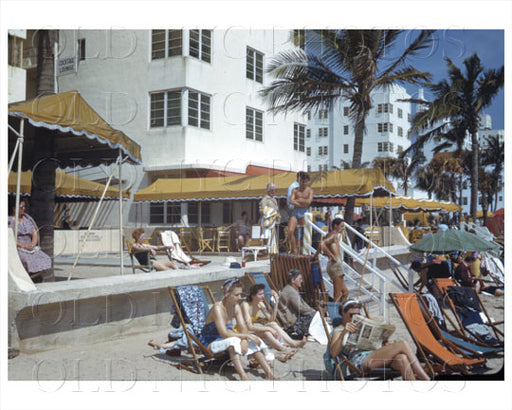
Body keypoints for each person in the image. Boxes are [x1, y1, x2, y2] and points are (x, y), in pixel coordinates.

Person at [151, 279, 278, 380]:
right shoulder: (218, 308)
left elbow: (243, 326)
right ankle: (243, 376)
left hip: (224, 340)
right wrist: (245, 337)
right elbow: (224, 333)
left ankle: (269, 373)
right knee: (234, 341)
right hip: (209, 343)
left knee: (252, 340)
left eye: (240, 294)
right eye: (236, 294)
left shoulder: (235, 307)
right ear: (227, 294)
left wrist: (246, 339)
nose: (240, 297)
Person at [325, 299, 430, 381]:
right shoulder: (338, 330)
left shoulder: (360, 325)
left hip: (374, 356)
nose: (354, 317)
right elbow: (334, 353)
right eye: (351, 315)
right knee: (402, 344)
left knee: (402, 358)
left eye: (358, 314)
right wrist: (344, 333)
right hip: (360, 362)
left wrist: (383, 343)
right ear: (343, 313)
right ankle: (426, 380)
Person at [241, 284, 306, 362]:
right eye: (260, 294)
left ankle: (294, 344)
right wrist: (268, 328)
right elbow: (249, 327)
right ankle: (283, 349)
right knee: (267, 332)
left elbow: (271, 319)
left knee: (273, 324)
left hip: (251, 330)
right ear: (253, 295)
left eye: (263, 293)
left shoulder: (260, 305)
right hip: (244, 331)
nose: (263, 296)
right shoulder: (245, 305)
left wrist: (276, 304)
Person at [8, 198, 51, 283]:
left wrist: (33, 244)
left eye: (24, 207)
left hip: (30, 246)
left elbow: (34, 232)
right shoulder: (9, 220)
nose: (23, 209)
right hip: (17, 246)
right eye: (21, 207)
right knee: (26, 260)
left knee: (45, 257)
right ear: (14, 208)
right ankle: (25, 278)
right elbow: (9, 238)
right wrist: (23, 246)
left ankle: (36, 277)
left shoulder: (27, 219)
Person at [277, 269, 317, 338]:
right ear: (293, 280)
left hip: (293, 316)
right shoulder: (290, 291)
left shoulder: (292, 289)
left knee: (314, 314)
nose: (302, 281)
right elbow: (300, 308)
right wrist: (314, 311)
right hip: (289, 320)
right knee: (313, 316)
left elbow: (303, 304)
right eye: (300, 279)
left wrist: (312, 310)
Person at [321, 218, 349, 303]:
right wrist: (331, 256)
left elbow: (323, 248)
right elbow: (322, 244)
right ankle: (335, 314)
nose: (343, 228)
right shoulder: (333, 235)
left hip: (335, 265)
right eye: (341, 226)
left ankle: (339, 312)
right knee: (337, 295)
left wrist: (328, 254)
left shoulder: (334, 235)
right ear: (335, 226)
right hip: (335, 265)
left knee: (345, 293)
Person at [288, 172, 314, 254]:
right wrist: (302, 203)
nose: (305, 183)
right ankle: (294, 249)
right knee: (290, 231)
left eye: (306, 182)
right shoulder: (295, 190)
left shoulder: (310, 191)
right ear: (300, 181)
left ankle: (304, 250)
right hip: (295, 212)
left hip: (304, 212)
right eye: (303, 182)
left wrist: (298, 200)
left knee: (304, 232)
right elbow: (291, 201)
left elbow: (309, 202)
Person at [259, 183, 280, 253]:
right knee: (267, 238)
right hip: (267, 222)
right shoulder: (265, 199)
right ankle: (266, 253)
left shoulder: (274, 199)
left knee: (273, 240)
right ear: (268, 190)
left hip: (273, 222)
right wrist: (271, 213)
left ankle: (272, 253)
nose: (273, 192)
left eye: (274, 190)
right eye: (272, 190)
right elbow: (261, 210)